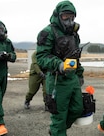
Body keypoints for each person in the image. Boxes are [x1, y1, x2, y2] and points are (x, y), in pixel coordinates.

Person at [36, 1, 84, 135]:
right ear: (58, 16)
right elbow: (41, 56)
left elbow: (76, 57)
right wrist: (59, 64)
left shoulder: (74, 34)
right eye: (65, 17)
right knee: (59, 116)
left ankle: (57, 130)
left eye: (72, 17)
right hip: (57, 80)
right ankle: (58, 130)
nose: (69, 20)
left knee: (77, 109)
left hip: (72, 78)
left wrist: (79, 74)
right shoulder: (47, 32)